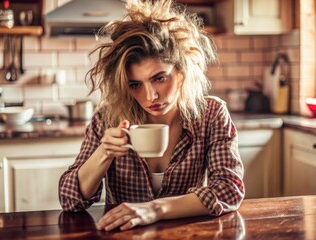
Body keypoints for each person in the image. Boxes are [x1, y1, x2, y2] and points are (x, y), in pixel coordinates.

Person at [59, 0, 244, 232]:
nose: (150, 96)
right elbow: (69, 200)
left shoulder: (211, 115)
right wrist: (103, 153)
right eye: (135, 84)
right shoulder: (108, 119)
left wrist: (155, 209)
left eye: (159, 78)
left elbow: (229, 189)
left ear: (182, 70)